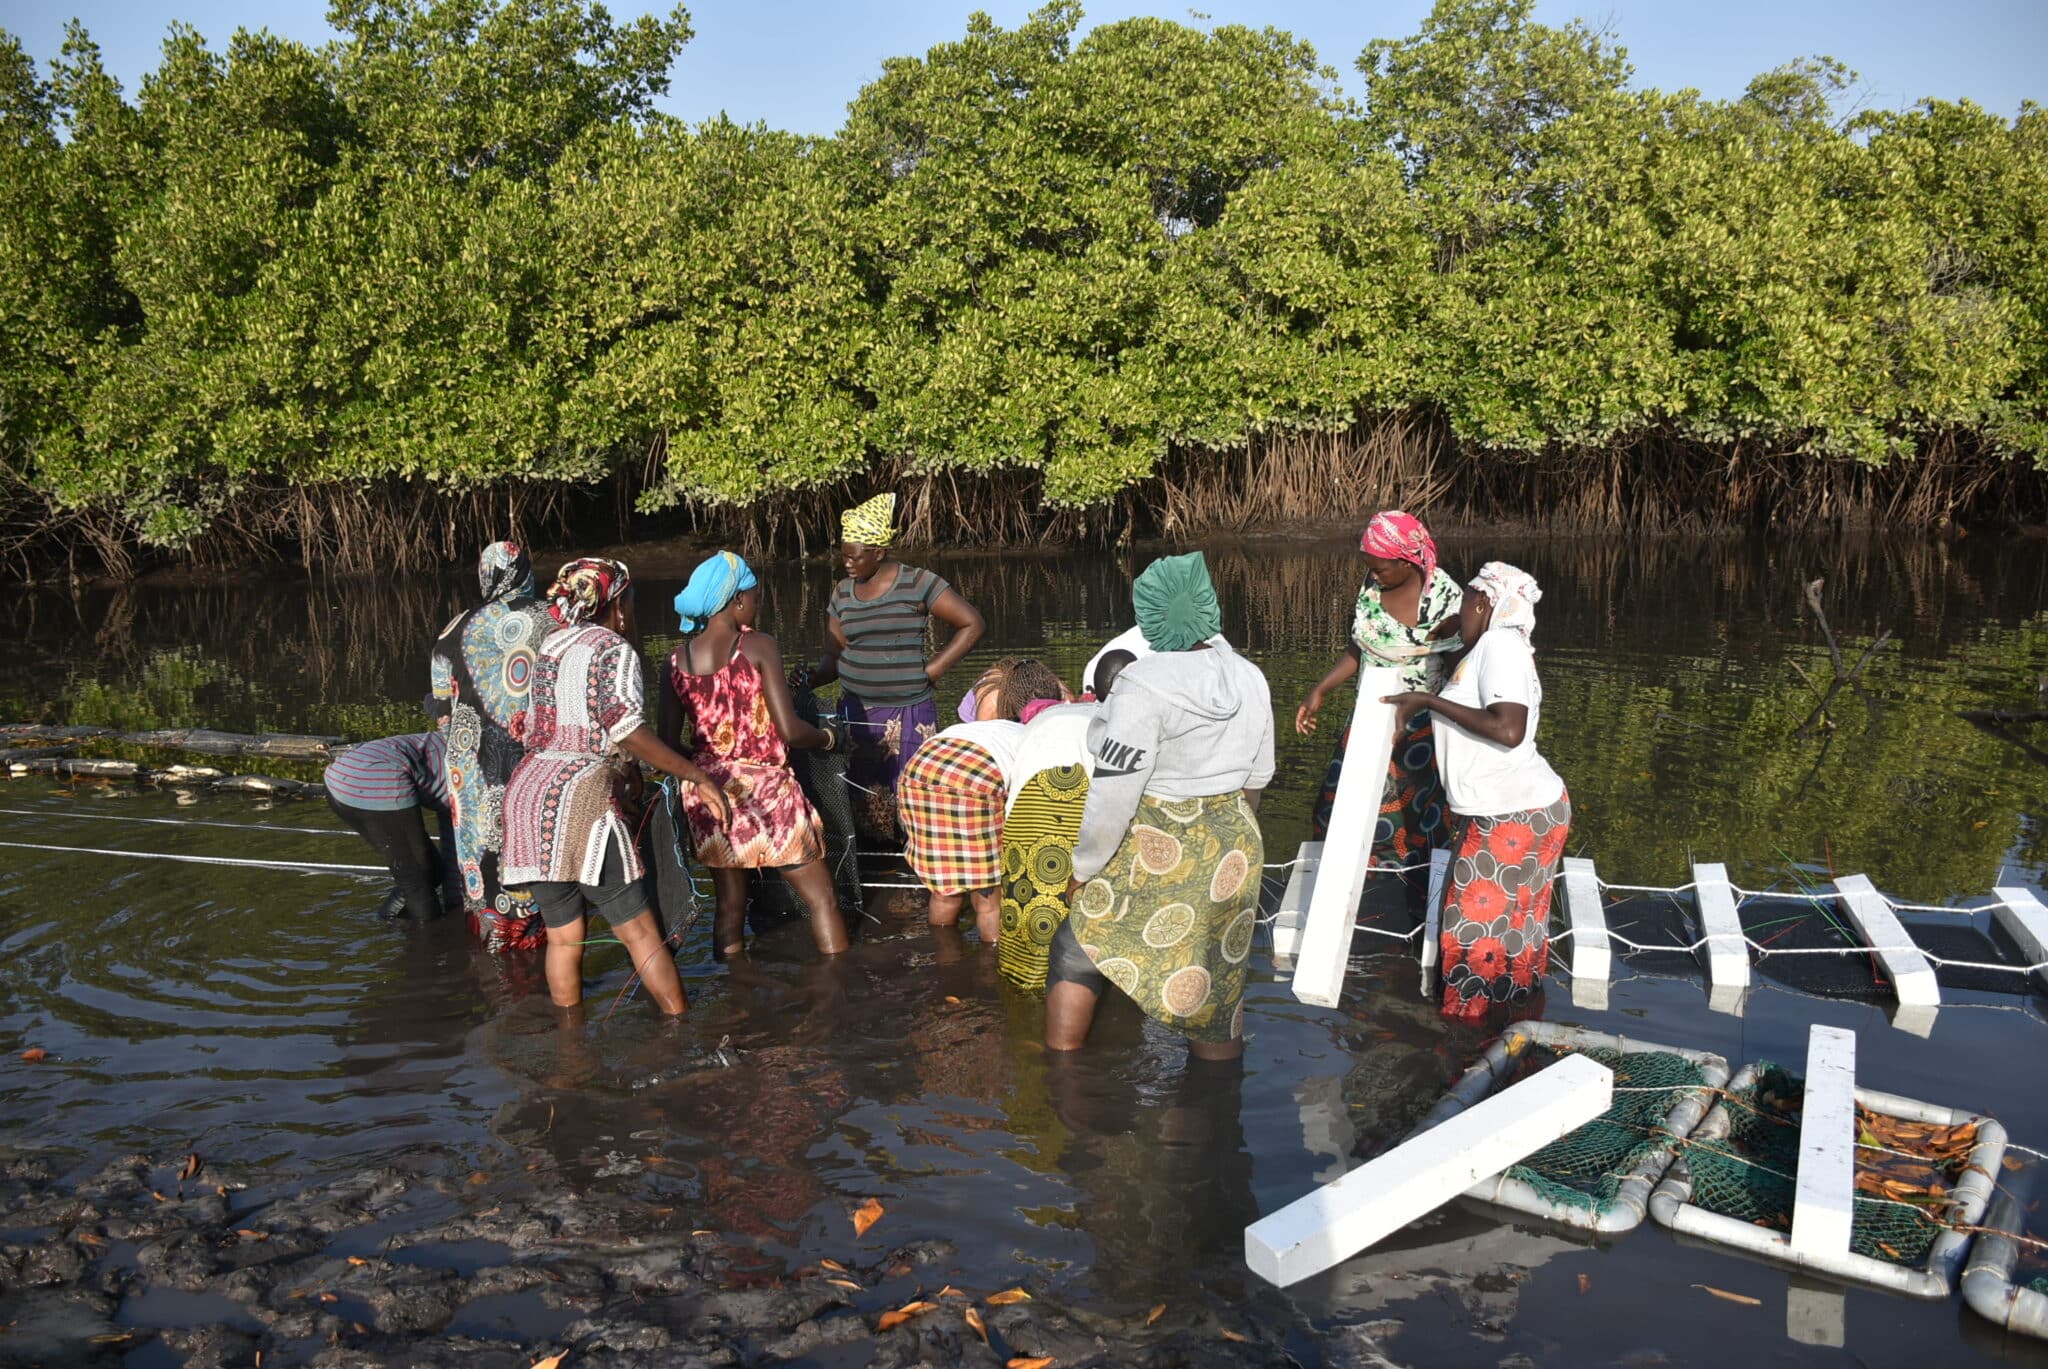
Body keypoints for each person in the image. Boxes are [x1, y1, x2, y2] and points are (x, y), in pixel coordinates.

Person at [1048, 552, 1273, 1060]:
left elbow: (1114, 795)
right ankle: (1215, 1116)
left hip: (1158, 840)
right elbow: (1256, 782)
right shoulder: (1250, 677)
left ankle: (1064, 1081)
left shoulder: (1141, 683)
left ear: (1151, 616)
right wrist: (1228, 852)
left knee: (1077, 948)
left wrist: (1083, 869)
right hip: (1233, 843)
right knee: (1214, 985)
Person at [502, 558, 733, 1015]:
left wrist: (625, 774)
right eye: (629, 600)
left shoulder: (552, 645)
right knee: (640, 933)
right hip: (578, 799)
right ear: (618, 605)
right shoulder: (614, 648)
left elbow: (552, 729)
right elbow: (625, 728)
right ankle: (679, 1026)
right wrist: (697, 775)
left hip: (527, 796)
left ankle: (571, 1046)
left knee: (564, 939)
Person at [1383, 563, 1571, 1020]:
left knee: (1469, 936)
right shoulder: (1491, 648)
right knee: (1511, 941)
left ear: (1484, 602)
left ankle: (1464, 1044)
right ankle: (1511, 1036)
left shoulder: (1499, 646)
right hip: (1520, 810)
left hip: (1513, 816)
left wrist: (1426, 701)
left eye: (1465, 601)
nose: (1460, 610)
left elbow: (1508, 728)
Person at [659, 550, 852, 960]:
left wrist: (706, 766)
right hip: (767, 793)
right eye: (755, 597)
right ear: (737, 601)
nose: (757, 605)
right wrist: (829, 739)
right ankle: (841, 990)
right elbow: (790, 730)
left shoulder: (675, 660)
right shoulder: (758, 646)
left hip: (708, 794)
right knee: (821, 899)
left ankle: (735, 991)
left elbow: (666, 742)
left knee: (729, 904)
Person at [800, 494, 985, 838]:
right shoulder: (842, 593)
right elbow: (833, 658)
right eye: (844, 556)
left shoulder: (917, 582)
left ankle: (919, 875)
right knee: (866, 808)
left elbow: (972, 624)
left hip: (910, 713)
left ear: (879, 552)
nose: (848, 564)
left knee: (915, 805)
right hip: (857, 718)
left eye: (855, 557)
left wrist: (931, 671)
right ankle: (875, 876)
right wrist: (806, 680)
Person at [1295, 510, 1463, 865]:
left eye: (1381, 568)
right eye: (1370, 567)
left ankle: (1409, 892)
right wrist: (1320, 690)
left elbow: (1458, 673)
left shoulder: (1443, 599)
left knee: (1411, 820)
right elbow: (1360, 646)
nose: (1373, 575)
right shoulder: (1372, 589)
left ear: (1408, 562)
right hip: (1367, 721)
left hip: (1418, 732)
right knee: (1336, 809)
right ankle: (1351, 885)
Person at [427, 540, 556, 953]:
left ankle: (493, 943)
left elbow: (441, 712)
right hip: (531, 757)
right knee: (534, 847)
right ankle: (541, 945)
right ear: (526, 572)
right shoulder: (552, 620)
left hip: (469, 763)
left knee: (480, 849)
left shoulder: (452, 629)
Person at [898, 661, 1066, 942]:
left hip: (920, 770)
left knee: (945, 890)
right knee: (989, 901)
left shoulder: (980, 725)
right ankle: (992, 966)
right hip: (976, 777)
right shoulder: (1034, 734)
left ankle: (942, 955)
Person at [996, 689, 1097, 990]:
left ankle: (1025, 989)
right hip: (1080, 802)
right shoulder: (1116, 715)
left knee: (1026, 904)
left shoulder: (1045, 717)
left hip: (1026, 809)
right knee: (1088, 912)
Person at [324, 731, 460, 920]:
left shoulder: (462, 738)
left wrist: (457, 900)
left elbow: (454, 835)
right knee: (417, 878)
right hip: (375, 775)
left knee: (432, 870)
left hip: (339, 776)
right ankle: (430, 944)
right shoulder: (484, 765)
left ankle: (388, 923)